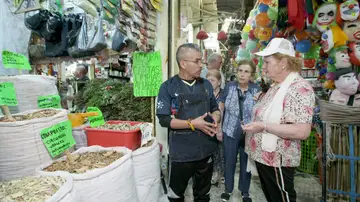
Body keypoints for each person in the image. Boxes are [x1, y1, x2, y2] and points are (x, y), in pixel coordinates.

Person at [243, 38, 315, 202]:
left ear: (283, 62)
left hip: (278, 160)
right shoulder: (277, 86)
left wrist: (263, 126)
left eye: (267, 62)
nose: (264, 66)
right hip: (265, 158)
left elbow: (302, 131)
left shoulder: (299, 88)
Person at [156, 43, 221, 202]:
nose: (201, 65)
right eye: (197, 61)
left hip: (206, 151)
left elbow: (215, 107)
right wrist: (193, 124)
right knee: (176, 195)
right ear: (183, 63)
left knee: (203, 194)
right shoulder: (168, 87)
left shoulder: (205, 84)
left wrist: (216, 118)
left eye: (202, 61)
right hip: (181, 153)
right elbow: (164, 120)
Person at [218, 60, 261, 202]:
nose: (242, 74)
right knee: (229, 161)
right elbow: (221, 108)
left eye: (246, 71)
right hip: (229, 130)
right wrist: (218, 128)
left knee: (246, 162)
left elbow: (260, 112)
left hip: (249, 132)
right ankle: (228, 190)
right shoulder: (229, 87)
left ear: (252, 75)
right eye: (240, 71)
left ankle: (245, 192)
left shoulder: (256, 89)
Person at [206, 69, 224, 186]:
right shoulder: (204, 93)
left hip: (221, 128)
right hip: (207, 127)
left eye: (212, 80)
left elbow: (222, 112)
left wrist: (220, 129)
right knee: (210, 153)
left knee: (220, 152)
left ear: (219, 82)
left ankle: (220, 173)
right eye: (207, 80)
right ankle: (211, 173)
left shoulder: (223, 94)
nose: (210, 82)